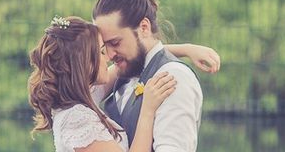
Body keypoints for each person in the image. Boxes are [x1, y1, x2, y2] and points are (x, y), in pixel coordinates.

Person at [28, 15, 220, 152]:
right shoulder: (78, 118)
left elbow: (133, 58)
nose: (110, 57)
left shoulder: (78, 98)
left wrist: (186, 49)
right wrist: (148, 110)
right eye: (102, 52)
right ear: (84, 64)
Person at [93, 0, 214, 152]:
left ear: (144, 28)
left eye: (116, 43)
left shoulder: (173, 77)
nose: (110, 55)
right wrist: (185, 49)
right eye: (105, 46)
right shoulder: (124, 70)